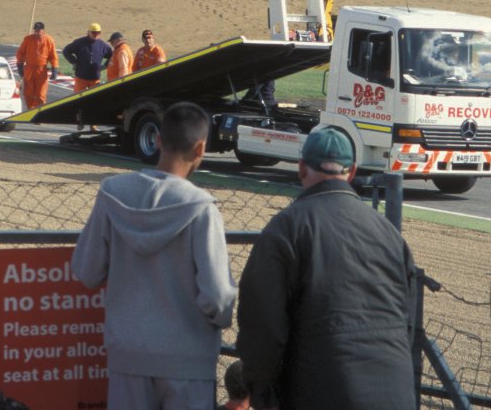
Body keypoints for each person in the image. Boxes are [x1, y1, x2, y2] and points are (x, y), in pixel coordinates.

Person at [235, 127, 417, 410]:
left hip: (321, 390)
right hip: (397, 391)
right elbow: (408, 321)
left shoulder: (286, 228)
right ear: (353, 171)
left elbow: (262, 327)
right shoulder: (389, 233)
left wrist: (263, 394)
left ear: (301, 168)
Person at [72, 102, 237, 410]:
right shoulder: (202, 209)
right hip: (188, 359)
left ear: (158, 140)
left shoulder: (112, 193)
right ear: (200, 149)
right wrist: (219, 318)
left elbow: (87, 270)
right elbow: (217, 295)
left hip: (128, 355)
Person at [15, 20, 58, 109]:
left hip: (41, 70)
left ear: (43, 30)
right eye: (35, 30)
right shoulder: (28, 39)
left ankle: (39, 113)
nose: (37, 32)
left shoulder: (49, 40)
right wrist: (20, 65)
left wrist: (54, 68)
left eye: (39, 30)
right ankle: (30, 110)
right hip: (29, 69)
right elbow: (20, 53)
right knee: (28, 93)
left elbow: (53, 56)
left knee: (41, 94)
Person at [62, 22, 112, 94]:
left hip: (94, 79)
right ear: (88, 32)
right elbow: (66, 51)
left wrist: (104, 66)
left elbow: (112, 55)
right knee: (78, 99)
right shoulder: (79, 43)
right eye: (93, 33)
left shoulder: (103, 46)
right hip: (81, 78)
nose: (96, 35)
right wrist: (74, 62)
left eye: (98, 33)